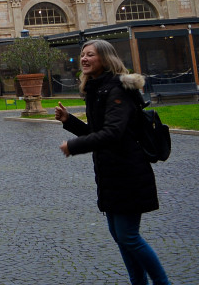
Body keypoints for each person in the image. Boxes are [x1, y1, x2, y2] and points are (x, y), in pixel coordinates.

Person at [56, 40, 169, 285]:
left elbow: (112, 134)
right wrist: (69, 120)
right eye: (82, 55)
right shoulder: (97, 88)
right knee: (120, 236)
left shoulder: (117, 89)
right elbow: (96, 132)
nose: (84, 59)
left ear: (105, 59)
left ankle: (163, 283)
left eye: (90, 55)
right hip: (110, 174)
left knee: (129, 237)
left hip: (129, 173)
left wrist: (72, 146)